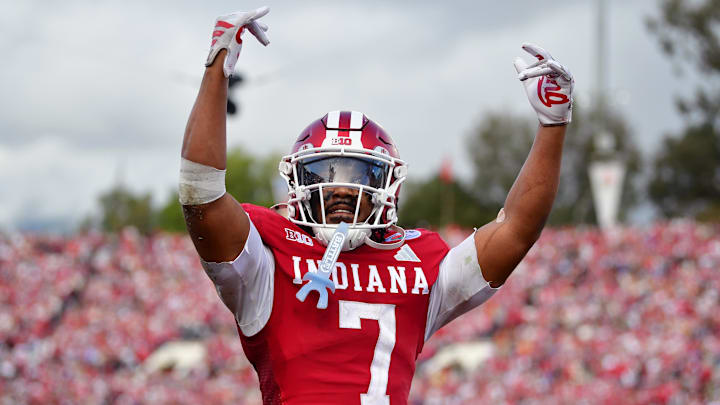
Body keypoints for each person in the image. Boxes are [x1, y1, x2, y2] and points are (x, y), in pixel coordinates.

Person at [179, 6, 574, 405]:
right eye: (325, 175)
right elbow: (201, 194)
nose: (342, 190)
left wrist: (551, 126)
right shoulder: (267, 261)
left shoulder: (421, 266)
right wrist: (217, 71)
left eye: (360, 177)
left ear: (388, 186)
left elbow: (516, 230)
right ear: (297, 182)